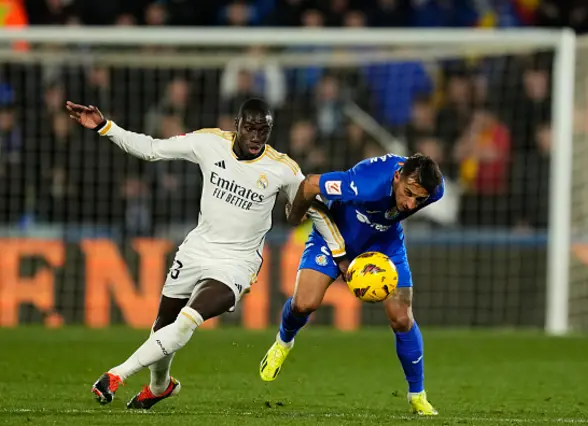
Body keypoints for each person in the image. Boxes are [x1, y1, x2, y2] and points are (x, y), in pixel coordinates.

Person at [66, 98, 345, 409]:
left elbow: (314, 209)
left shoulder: (283, 169)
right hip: (197, 250)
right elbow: (151, 149)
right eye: (250, 129)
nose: (256, 137)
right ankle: (160, 386)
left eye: (263, 131)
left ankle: (115, 375)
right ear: (237, 125)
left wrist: (341, 254)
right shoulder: (209, 142)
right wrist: (106, 127)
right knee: (163, 326)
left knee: (186, 321)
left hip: (236, 264)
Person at [259, 153, 444, 416]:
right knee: (304, 304)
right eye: (408, 193)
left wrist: (404, 203)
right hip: (336, 235)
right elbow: (311, 183)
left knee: (402, 318)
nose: (410, 204)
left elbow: (410, 200)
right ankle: (283, 342)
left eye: (419, 199)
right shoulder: (365, 182)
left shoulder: (434, 190)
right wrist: (295, 215)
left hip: (385, 243)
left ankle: (417, 395)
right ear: (396, 176)